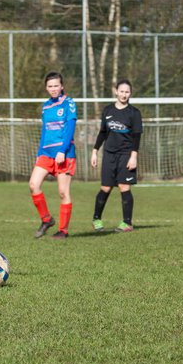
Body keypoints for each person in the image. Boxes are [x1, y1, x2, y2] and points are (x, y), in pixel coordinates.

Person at [28, 72, 77, 239]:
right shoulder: (46, 106)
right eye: (50, 86)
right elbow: (45, 131)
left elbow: (70, 128)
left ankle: (63, 230)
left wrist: (62, 151)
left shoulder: (69, 104)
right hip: (45, 154)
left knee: (63, 192)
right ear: (46, 88)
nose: (53, 89)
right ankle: (47, 219)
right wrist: (39, 152)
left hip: (64, 154)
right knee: (33, 185)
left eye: (56, 85)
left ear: (62, 86)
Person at [89, 80, 142, 233]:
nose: (124, 94)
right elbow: (103, 133)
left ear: (130, 93)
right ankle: (96, 219)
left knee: (124, 187)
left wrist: (134, 156)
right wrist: (95, 151)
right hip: (109, 154)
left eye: (127, 92)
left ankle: (127, 222)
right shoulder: (107, 111)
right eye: (122, 91)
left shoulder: (134, 113)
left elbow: (136, 137)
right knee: (105, 188)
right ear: (116, 91)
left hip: (126, 154)